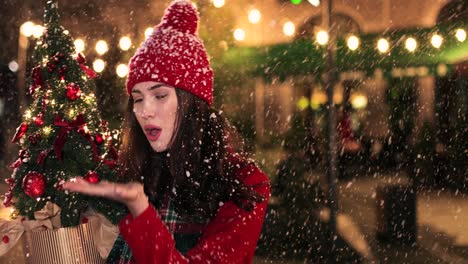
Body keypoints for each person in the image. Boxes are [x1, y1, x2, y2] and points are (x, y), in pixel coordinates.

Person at [63, 1, 270, 263]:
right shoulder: (131, 171)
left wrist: (140, 210)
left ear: (192, 103)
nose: (145, 111)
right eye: (137, 99)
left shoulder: (243, 183)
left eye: (160, 95)